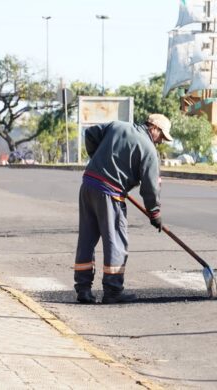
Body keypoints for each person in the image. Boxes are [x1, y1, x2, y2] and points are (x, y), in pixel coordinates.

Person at [74, 113, 172, 304]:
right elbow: (150, 187)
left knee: (86, 238)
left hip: (88, 184)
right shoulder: (149, 149)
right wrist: (154, 213)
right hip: (110, 193)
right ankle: (113, 290)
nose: (161, 142)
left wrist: (98, 159)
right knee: (116, 240)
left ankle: (83, 289)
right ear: (154, 128)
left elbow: (90, 134)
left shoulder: (117, 126)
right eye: (162, 136)